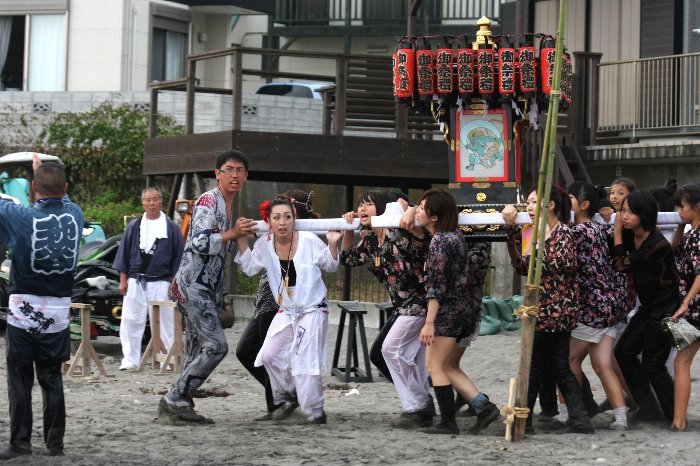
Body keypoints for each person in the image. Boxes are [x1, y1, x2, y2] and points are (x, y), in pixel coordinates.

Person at [158, 150, 258, 425]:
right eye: (229, 169)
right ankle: (175, 398)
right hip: (193, 287)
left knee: (194, 350)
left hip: (201, 288)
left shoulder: (226, 205)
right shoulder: (208, 201)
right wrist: (232, 234)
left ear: (246, 176)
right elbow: (199, 243)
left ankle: (180, 403)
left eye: (240, 170)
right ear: (217, 174)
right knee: (216, 346)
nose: (234, 175)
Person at [0, 154, 83, 459]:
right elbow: (64, 198)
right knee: (51, 380)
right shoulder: (75, 215)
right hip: (58, 314)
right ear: (64, 189)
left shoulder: (21, 218)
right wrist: (45, 174)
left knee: (20, 379)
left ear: (33, 187)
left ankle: (20, 442)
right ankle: (55, 444)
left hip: (24, 309)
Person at [236, 196, 340, 424]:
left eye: (287, 216)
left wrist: (332, 243)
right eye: (276, 218)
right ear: (269, 222)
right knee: (270, 355)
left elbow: (331, 265)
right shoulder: (265, 244)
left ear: (294, 218)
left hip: (312, 309)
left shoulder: (309, 240)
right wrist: (242, 240)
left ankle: (316, 411)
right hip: (286, 310)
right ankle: (289, 394)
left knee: (305, 358)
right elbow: (251, 268)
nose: (282, 222)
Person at [502, 186, 594, 435]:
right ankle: (580, 420)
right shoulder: (544, 233)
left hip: (552, 311)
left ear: (550, 205)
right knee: (559, 366)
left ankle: (525, 422)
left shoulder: (562, 233)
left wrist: (534, 247)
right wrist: (512, 234)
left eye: (534, 202)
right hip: (555, 310)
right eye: (528, 203)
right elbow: (523, 267)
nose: (529, 208)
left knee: (532, 367)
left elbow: (551, 265)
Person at [341, 190, 436, 429]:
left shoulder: (397, 231)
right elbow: (348, 259)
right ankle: (418, 406)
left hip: (421, 302)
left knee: (389, 349)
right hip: (401, 307)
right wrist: (347, 229)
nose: (362, 209)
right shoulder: (372, 241)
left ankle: (422, 403)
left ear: (382, 209)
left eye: (368, 204)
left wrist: (410, 209)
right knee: (390, 355)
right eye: (360, 204)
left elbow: (425, 241)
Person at [417, 189, 499, 435]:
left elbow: (437, 286)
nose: (417, 210)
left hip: (449, 311)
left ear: (434, 216)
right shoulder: (455, 237)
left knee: (434, 365)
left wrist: (429, 322)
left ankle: (448, 422)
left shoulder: (440, 241)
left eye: (421, 207)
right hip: (464, 309)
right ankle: (483, 407)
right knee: (448, 366)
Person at [612, 190, 679, 425]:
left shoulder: (656, 244)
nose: (625, 216)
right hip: (648, 307)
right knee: (623, 352)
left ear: (645, 214)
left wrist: (617, 232)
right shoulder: (633, 236)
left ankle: (673, 415)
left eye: (631, 212)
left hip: (665, 311)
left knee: (653, 364)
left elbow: (621, 265)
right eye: (623, 211)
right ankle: (648, 407)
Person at [566, 182, 629, 430]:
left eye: (571, 197)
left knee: (568, 361)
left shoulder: (577, 232)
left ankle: (570, 413)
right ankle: (621, 418)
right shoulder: (598, 229)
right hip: (609, 304)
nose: (567, 201)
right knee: (603, 365)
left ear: (584, 205)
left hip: (590, 306)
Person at [113, 186, 184, 371]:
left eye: (155, 199)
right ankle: (130, 359)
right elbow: (124, 255)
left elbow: (179, 258)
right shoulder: (134, 226)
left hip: (161, 281)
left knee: (165, 322)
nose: (151, 203)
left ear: (161, 201)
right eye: (148, 200)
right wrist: (123, 280)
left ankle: (166, 358)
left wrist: (174, 283)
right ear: (143, 203)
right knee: (130, 320)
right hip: (136, 280)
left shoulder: (171, 228)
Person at [669, 183, 700, 431]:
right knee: (682, 363)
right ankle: (678, 420)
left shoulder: (698, 236)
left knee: (682, 363)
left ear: (697, 206)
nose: (678, 210)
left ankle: (679, 422)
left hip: (696, 308)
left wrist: (686, 302)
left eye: (682, 206)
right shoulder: (692, 233)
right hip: (694, 307)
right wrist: (681, 223)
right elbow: (674, 251)